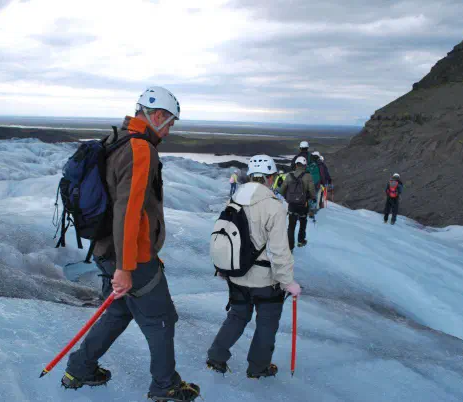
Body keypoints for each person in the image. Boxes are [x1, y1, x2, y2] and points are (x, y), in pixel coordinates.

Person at [62, 87, 200, 402]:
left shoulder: (117, 139)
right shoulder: (140, 149)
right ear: (158, 115)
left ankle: (79, 369)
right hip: (131, 256)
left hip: (105, 249)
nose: (169, 130)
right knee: (161, 318)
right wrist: (125, 268)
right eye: (170, 123)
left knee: (118, 312)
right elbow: (129, 211)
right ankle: (165, 386)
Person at [207, 155, 302, 378]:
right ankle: (258, 368)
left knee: (237, 316)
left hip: (236, 274)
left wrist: (224, 267)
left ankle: (216, 357)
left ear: (250, 176)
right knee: (267, 323)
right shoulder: (274, 206)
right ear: (271, 177)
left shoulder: (234, 200)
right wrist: (288, 282)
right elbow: (279, 250)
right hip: (265, 280)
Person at [279, 156, 316, 248]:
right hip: (303, 204)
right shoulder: (308, 176)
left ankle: (290, 246)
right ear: (305, 165)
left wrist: (287, 198)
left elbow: (282, 190)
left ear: (296, 165)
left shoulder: (289, 175)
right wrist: (313, 198)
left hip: (292, 204)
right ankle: (301, 241)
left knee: (291, 226)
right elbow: (312, 190)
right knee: (303, 223)